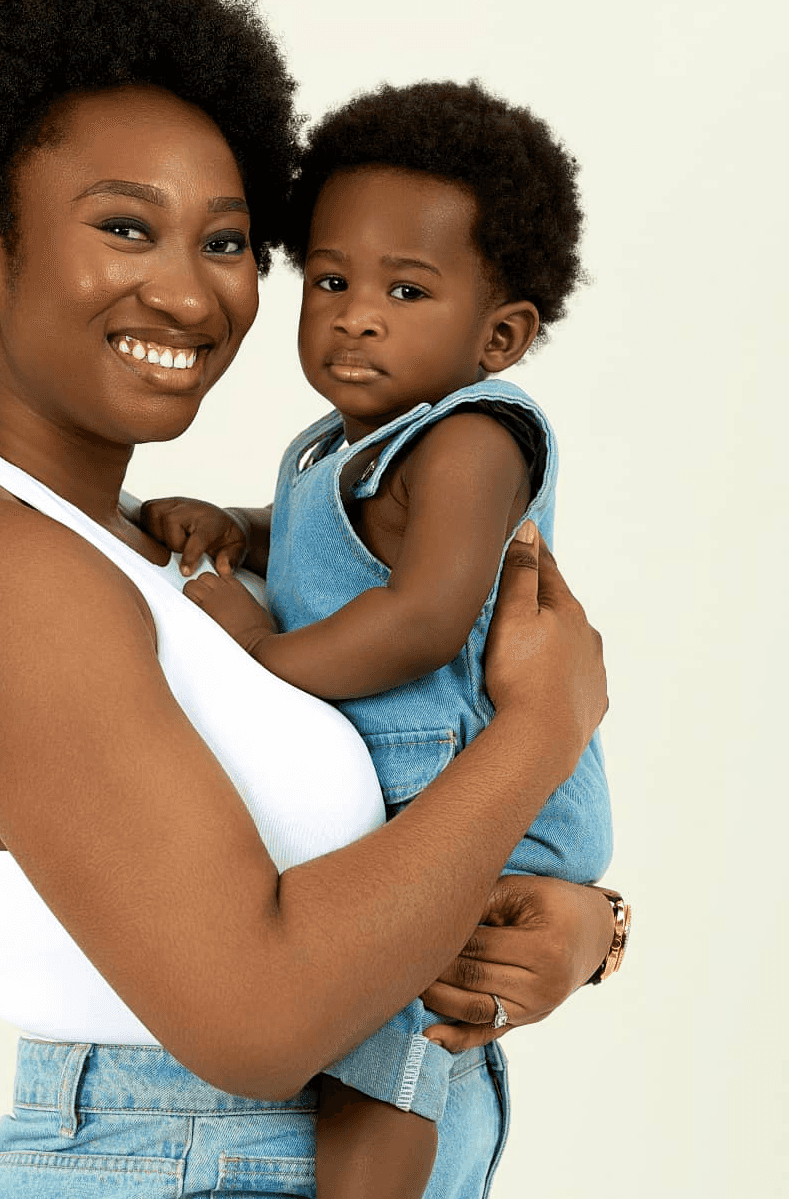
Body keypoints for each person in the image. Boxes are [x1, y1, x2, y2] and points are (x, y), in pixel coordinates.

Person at [0, 0, 624, 1197]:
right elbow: (256, 1019)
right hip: (183, 1151)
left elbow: (380, 866)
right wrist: (543, 729)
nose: (191, 294)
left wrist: (587, 930)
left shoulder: (152, 547)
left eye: (225, 242)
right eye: (123, 227)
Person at [140, 80, 615, 1198]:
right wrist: (237, 527)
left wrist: (255, 664)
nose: (357, 313)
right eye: (333, 281)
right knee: (367, 1013)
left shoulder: (473, 443)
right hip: (417, 785)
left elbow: (421, 617)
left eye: (407, 289)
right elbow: (326, 544)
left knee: (386, 1030)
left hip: (476, 788)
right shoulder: (334, 445)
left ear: (499, 335)